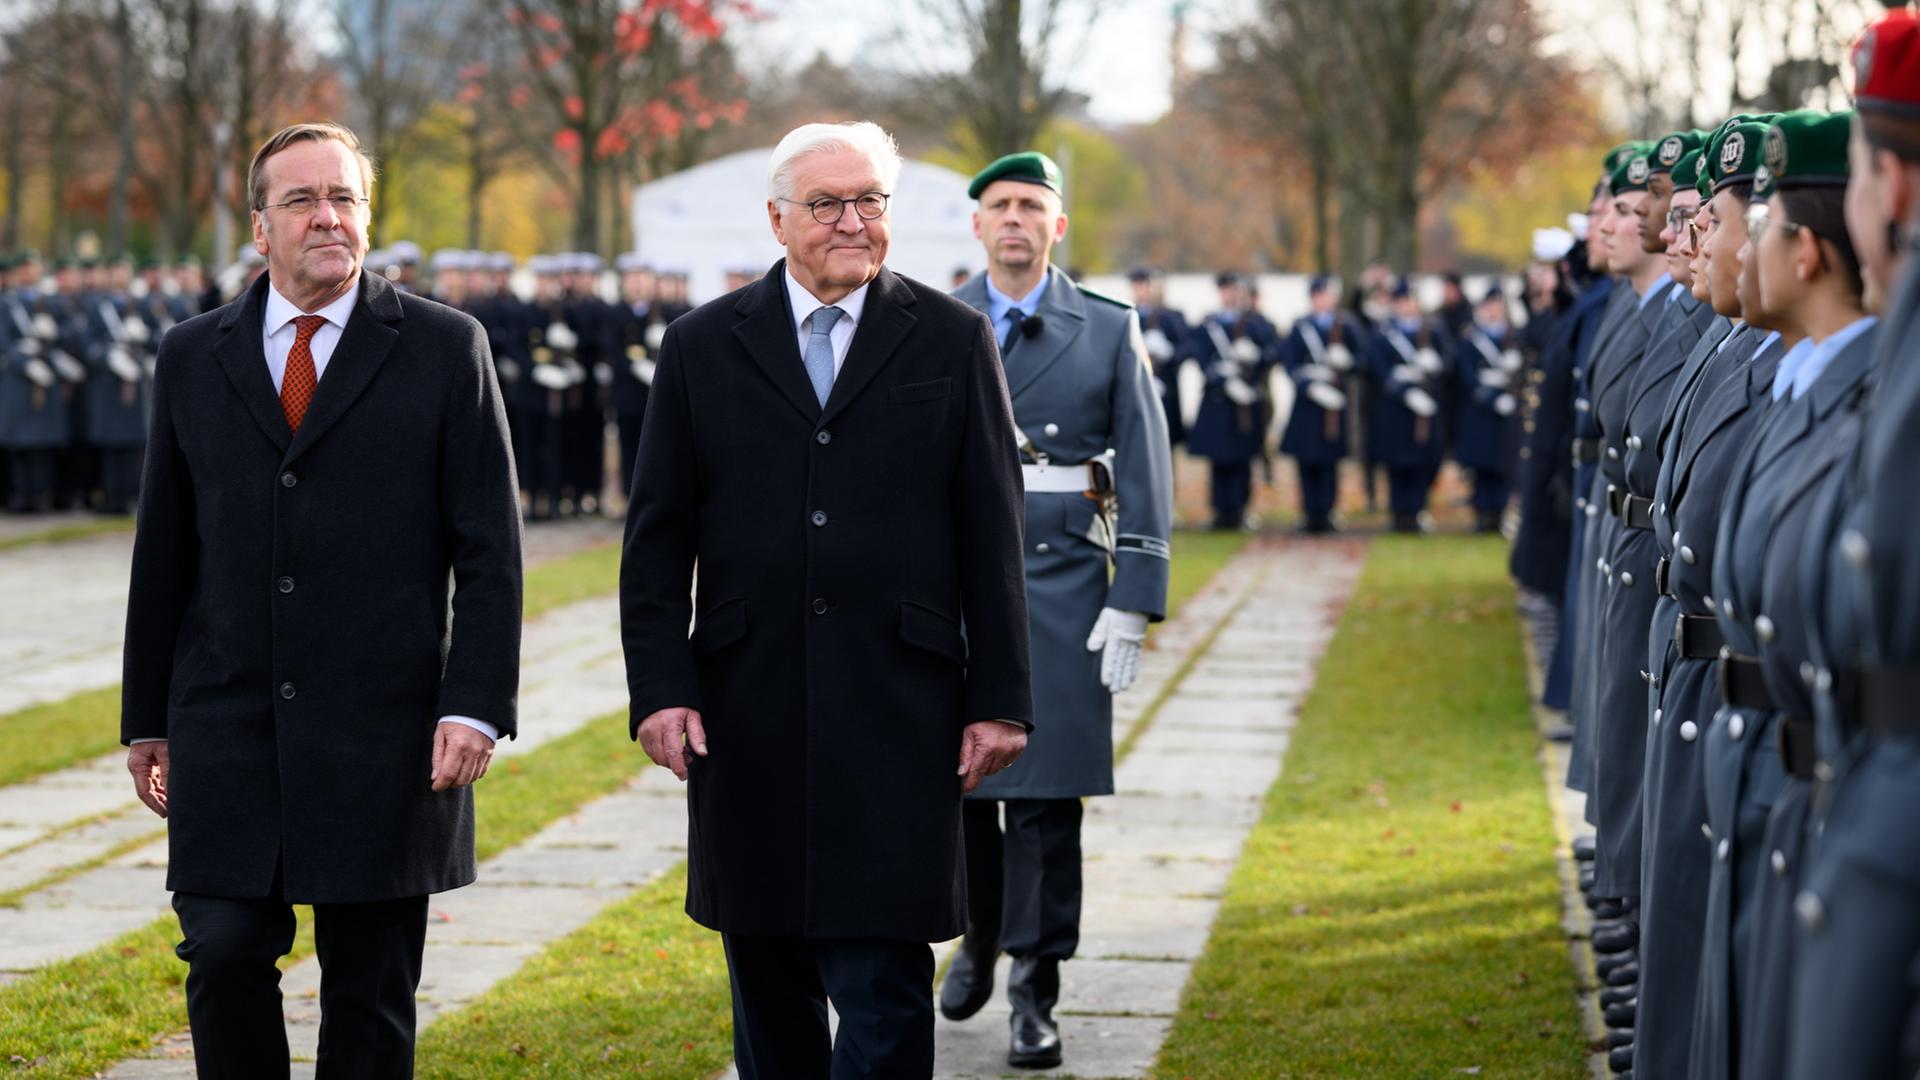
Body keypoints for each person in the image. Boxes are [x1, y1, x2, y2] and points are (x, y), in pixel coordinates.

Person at [618, 121, 1034, 1079]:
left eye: (870, 201)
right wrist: (661, 691)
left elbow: (993, 533)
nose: (854, 221)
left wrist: (1002, 698)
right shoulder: (700, 346)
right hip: (747, 712)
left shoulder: (952, 337)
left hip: (900, 710)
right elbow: (656, 544)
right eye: (827, 204)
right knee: (769, 992)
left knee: (886, 992)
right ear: (776, 220)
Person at [117, 121, 522, 1078]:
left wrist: (474, 704)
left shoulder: (444, 347)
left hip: (385, 732)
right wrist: (147, 719)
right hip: (227, 723)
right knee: (221, 954)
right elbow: (164, 549)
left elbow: (491, 552)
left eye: (345, 197)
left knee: (369, 996)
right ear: (260, 227)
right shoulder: (192, 354)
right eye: (302, 200)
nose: (328, 217)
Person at [944, 152, 1174, 1069]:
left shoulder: (1108, 328)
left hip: (1068, 585)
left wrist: (1135, 597)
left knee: (1046, 801)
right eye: (1000, 205)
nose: (1015, 219)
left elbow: (1146, 465)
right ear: (977, 224)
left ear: (1058, 225)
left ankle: (1035, 986)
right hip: (956, 588)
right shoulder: (932, 319)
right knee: (960, 786)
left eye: (1031, 206)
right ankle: (976, 934)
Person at [1187, 271, 1281, 530]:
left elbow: (1274, 350)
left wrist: (1256, 356)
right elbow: (1199, 354)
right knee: (1219, 460)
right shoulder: (1210, 323)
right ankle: (1220, 511)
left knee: (1243, 459)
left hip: (1244, 402)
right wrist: (1218, 374)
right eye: (1226, 289)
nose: (1230, 295)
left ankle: (1240, 510)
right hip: (1219, 400)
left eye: (1234, 289)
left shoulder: (1255, 323)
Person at [1278, 274, 1364, 532]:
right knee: (1306, 461)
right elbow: (1289, 363)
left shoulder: (1346, 325)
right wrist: (1308, 384)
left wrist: (1347, 361)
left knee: (1329, 462)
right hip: (1308, 403)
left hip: (1333, 404)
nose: (1322, 300)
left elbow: (1364, 358)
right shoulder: (1300, 326)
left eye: (1326, 295)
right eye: (1318, 295)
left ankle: (1327, 511)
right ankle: (1308, 512)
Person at [1362, 277, 1450, 532]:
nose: (1406, 305)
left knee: (1422, 463)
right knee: (1397, 464)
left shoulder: (1432, 330)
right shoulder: (1383, 332)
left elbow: (1449, 359)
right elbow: (1376, 366)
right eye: (1401, 301)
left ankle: (1417, 510)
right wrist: (1400, 387)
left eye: (1410, 300)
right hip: (1395, 409)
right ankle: (1398, 512)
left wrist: (1436, 364)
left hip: (1425, 406)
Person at [1453, 283, 1525, 533]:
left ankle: (1499, 512)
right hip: (1481, 412)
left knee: (1502, 463)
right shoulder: (1472, 338)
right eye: (1489, 306)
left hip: (1507, 412)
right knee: (1481, 465)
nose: (1493, 310)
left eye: (1497, 306)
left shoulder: (1514, 337)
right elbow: (1466, 376)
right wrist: (1491, 397)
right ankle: (1482, 513)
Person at [1128, 266, 1191, 448]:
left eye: (1144, 285)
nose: (1140, 290)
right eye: (1136, 285)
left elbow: (1186, 347)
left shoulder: (1171, 316)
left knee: (1165, 440)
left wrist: (1169, 353)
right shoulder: (1128, 313)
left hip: (1166, 385)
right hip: (1136, 384)